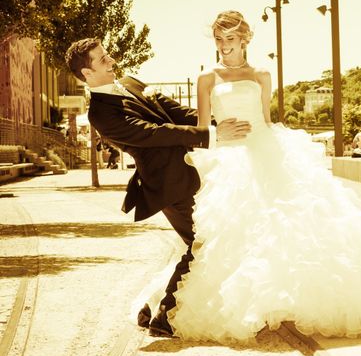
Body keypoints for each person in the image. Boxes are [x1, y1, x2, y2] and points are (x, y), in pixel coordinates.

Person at [147, 11, 361, 342]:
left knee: (286, 226)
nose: (224, 46)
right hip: (228, 156)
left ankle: (282, 302)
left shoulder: (261, 75)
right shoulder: (207, 78)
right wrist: (218, 132)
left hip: (265, 150)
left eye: (230, 39)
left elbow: (266, 119)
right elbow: (201, 128)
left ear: (244, 40)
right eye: (219, 39)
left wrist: (285, 154)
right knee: (228, 234)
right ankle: (233, 307)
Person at [65, 38, 251, 337]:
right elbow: (153, 133)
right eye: (102, 60)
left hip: (193, 173)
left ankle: (150, 305)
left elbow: (175, 112)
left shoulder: (129, 82)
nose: (111, 61)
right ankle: (166, 315)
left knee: (201, 242)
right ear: (87, 74)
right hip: (168, 185)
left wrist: (220, 123)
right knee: (201, 244)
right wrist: (213, 136)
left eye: (108, 55)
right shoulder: (100, 114)